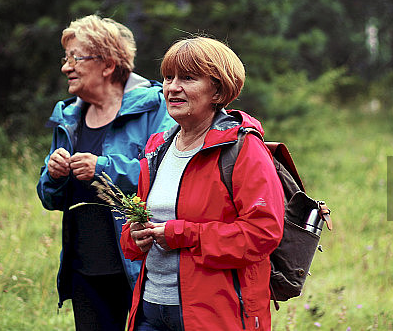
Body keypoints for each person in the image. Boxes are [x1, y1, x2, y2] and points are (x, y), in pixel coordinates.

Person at [120, 37, 285, 330]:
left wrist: (184, 234)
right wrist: (134, 236)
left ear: (218, 90)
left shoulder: (242, 148)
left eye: (187, 78)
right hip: (150, 310)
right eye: (168, 78)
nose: (172, 87)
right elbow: (141, 228)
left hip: (215, 315)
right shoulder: (157, 147)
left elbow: (263, 233)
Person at [37, 15, 176, 330]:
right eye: (66, 57)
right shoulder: (68, 117)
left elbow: (165, 172)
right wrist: (53, 175)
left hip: (141, 264)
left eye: (76, 58)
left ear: (108, 65)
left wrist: (102, 168)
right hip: (85, 266)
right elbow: (50, 198)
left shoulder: (155, 108)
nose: (66, 67)